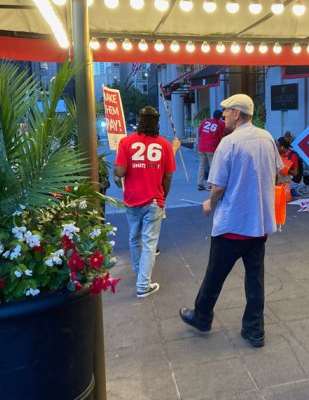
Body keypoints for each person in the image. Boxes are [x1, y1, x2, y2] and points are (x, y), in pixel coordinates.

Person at [179, 94, 282, 348]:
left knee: (214, 275)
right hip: (258, 225)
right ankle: (254, 330)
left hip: (231, 225)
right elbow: (279, 172)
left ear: (237, 113)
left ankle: (202, 317)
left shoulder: (229, 143)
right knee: (255, 281)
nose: (223, 114)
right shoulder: (267, 138)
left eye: (226, 111)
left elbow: (217, 187)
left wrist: (209, 204)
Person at [114, 106, 176, 298]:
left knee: (134, 237)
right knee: (150, 243)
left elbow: (120, 172)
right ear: (156, 122)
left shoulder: (126, 142)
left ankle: (138, 271)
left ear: (139, 121)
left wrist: (116, 173)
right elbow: (167, 177)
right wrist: (163, 196)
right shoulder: (165, 145)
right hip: (154, 200)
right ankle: (143, 284)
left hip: (132, 200)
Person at [196, 109, 225, 190]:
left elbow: (199, 132)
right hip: (211, 148)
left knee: (202, 166)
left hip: (202, 146)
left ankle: (200, 184)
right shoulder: (219, 125)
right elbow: (220, 138)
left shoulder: (205, 121)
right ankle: (211, 185)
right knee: (212, 166)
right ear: (220, 117)